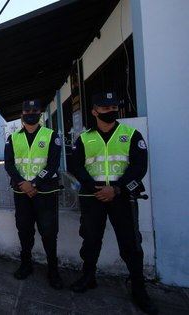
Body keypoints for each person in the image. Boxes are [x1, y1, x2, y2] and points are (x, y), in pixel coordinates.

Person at [69, 92, 158, 314]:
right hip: (93, 197)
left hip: (122, 197)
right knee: (90, 240)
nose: (110, 111)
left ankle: (139, 289)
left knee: (131, 244)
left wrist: (117, 189)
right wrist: (93, 188)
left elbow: (140, 167)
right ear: (94, 111)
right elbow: (76, 166)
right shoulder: (84, 138)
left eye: (113, 107)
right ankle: (88, 277)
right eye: (104, 108)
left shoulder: (131, 135)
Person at [4, 100, 63, 289]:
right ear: (22, 114)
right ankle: (26, 264)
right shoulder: (12, 138)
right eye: (27, 111)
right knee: (24, 230)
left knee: (48, 232)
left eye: (35, 110)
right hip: (21, 192)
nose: (31, 113)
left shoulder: (51, 136)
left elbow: (53, 164)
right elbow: (9, 164)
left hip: (45, 191)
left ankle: (53, 269)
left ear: (40, 113)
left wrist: (35, 183)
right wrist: (23, 183)